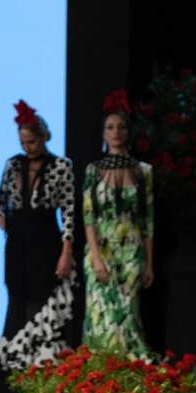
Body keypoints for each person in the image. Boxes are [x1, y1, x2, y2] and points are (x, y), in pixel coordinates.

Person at [0, 98, 76, 393]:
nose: (28, 147)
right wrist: (1, 216)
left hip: (46, 241)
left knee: (41, 301)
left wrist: (66, 251)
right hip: (18, 243)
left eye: (32, 141)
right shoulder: (13, 164)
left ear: (44, 136)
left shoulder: (61, 166)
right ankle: (11, 386)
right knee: (17, 301)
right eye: (23, 142)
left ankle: (43, 382)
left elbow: (70, 211)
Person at [81, 90, 154, 358]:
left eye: (122, 127)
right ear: (103, 133)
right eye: (110, 127)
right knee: (101, 313)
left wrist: (149, 262)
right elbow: (88, 217)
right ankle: (101, 376)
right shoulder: (93, 171)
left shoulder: (143, 171)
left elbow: (148, 219)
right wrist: (96, 259)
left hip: (132, 248)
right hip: (101, 248)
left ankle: (127, 376)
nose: (116, 132)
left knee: (127, 314)